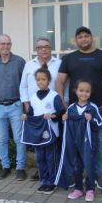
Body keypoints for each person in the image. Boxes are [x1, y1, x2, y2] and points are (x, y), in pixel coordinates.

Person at [56, 26, 102, 190]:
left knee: (96, 144)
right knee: (75, 144)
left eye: (86, 36)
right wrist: (62, 102)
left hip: (97, 109)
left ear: (92, 38)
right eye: (80, 37)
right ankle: (77, 174)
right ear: (76, 40)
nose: (83, 39)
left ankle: (99, 174)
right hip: (76, 111)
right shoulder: (69, 58)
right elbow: (60, 81)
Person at [20, 37, 67, 181]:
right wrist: (27, 106)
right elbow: (23, 87)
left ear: (51, 48)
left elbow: (65, 84)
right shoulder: (29, 65)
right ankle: (42, 173)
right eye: (40, 47)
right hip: (35, 111)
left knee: (53, 147)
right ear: (36, 50)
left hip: (53, 111)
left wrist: (63, 106)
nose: (44, 49)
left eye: (46, 46)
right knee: (39, 146)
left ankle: (55, 175)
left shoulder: (59, 64)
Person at [55, 79, 102, 202]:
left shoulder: (92, 107)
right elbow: (66, 123)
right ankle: (78, 188)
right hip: (75, 143)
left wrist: (91, 119)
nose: (84, 94)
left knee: (89, 165)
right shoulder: (71, 107)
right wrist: (64, 118)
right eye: (81, 91)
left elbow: (100, 123)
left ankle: (90, 189)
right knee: (77, 166)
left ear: (90, 92)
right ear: (76, 91)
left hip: (89, 143)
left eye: (87, 91)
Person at [0, 34, 27, 181]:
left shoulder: (19, 62)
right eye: (2, 44)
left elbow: (26, 84)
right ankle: (5, 167)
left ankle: (20, 168)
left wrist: (25, 104)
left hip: (16, 105)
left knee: (18, 139)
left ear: (11, 45)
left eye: (8, 44)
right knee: (2, 138)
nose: (5, 47)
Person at [21, 64, 64, 194]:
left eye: (43, 79)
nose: (41, 82)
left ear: (48, 81)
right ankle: (44, 180)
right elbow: (31, 113)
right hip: (38, 134)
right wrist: (25, 116)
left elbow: (61, 111)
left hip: (51, 133)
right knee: (40, 158)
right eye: (38, 79)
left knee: (51, 158)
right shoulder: (33, 97)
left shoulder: (54, 95)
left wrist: (52, 115)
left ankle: (52, 182)